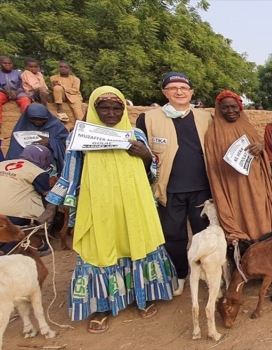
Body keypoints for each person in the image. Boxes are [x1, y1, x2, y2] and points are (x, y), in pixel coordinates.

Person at [39, 86, 176, 334]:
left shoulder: (135, 135)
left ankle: (141, 298)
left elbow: (150, 173)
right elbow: (69, 173)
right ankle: (102, 306)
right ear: (93, 108)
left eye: (117, 107)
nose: (111, 112)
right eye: (105, 107)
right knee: (100, 250)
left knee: (138, 244)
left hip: (135, 204)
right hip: (98, 205)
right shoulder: (80, 137)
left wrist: (145, 155)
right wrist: (51, 207)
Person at [135, 72, 211, 297]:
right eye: (173, 88)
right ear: (164, 92)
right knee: (173, 235)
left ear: (191, 92)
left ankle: (205, 273)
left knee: (203, 233)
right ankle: (178, 275)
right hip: (167, 190)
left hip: (201, 189)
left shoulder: (205, 118)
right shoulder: (148, 119)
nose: (179, 92)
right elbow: (141, 152)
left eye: (184, 88)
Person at [204, 90, 272, 242]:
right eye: (225, 107)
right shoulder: (212, 134)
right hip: (232, 186)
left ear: (240, 107)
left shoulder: (248, 127)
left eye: (234, 106)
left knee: (261, 216)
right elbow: (213, 167)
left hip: (256, 183)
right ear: (218, 109)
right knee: (240, 216)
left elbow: (261, 153)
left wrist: (260, 149)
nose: (230, 111)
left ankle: (266, 250)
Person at [0, 145, 53, 254]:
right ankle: (37, 246)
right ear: (44, 158)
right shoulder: (38, 172)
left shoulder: (0, 165)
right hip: (10, 216)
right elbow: (46, 195)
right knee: (39, 216)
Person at [6, 104, 70, 174]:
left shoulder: (56, 126)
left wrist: (51, 141)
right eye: (34, 119)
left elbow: (67, 141)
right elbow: (14, 150)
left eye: (42, 119)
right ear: (28, 118)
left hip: (49, 164)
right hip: (24, 166)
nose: (38, 122)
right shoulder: (21, 128)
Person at [0, 56, 32, 132]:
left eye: (10, 63)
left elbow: (23, 85)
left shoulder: (19, 73)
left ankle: (26, 123)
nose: (8, 65)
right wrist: (5, 92)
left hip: (18, 92)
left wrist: (16, 92)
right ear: (0, 64)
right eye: (5, 63)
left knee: (26, 100)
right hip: (3, 92)